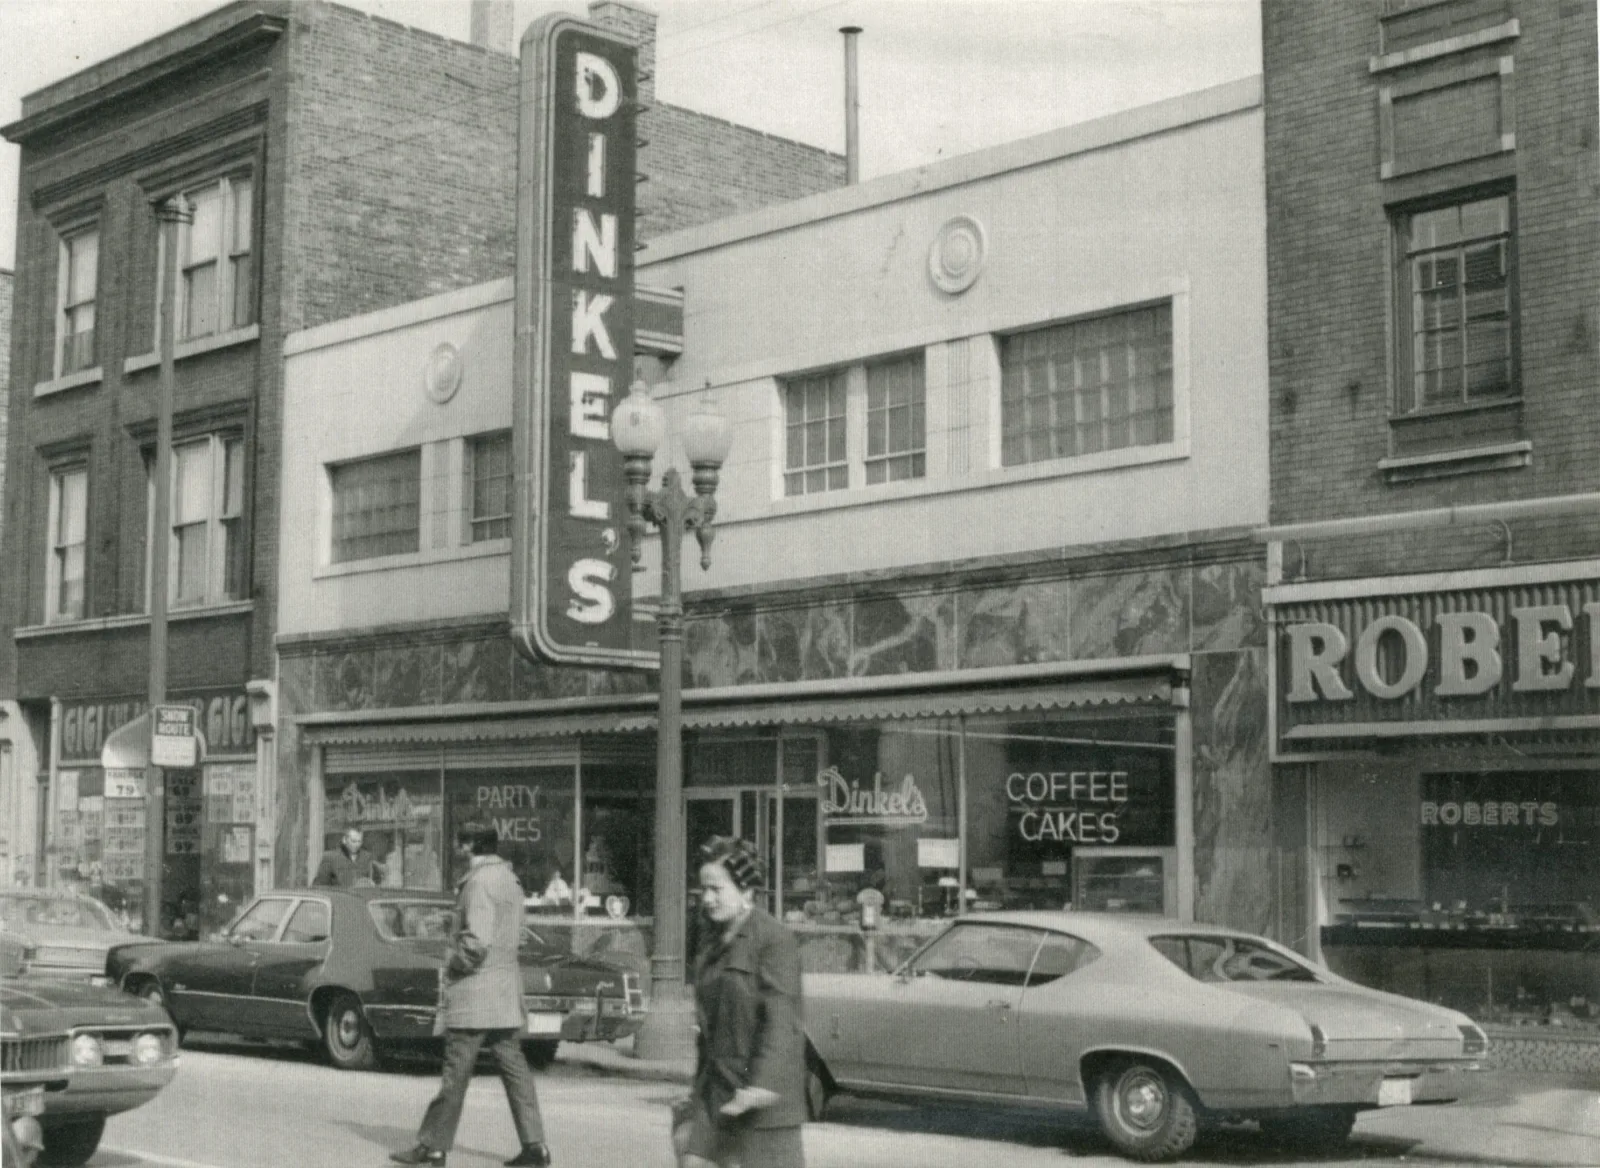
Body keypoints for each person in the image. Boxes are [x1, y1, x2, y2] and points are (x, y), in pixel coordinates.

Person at [391, 825, 550, 1168]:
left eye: (461, 843)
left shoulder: (477, 882)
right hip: (505, 993)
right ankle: (536, 1146)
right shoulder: (511, 881)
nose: (458, 849)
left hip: (475, 993)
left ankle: (433, 1148)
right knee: (515, 1070)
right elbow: (517, 936)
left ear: (471, 846)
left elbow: (475, 942)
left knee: (456, 1073)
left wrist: (451, 963)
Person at [677, 836, 807, 1168]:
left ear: (746, 890)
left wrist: (761, 1084)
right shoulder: (709, 940)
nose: (707, 899)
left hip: (762, 1101)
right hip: (717, 1090)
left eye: (716, 889)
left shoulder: (774, 940)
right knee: (691, 1160)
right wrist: (697, 1089)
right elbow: (709, 1028)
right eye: (702, 890)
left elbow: (782, 1021)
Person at [313, 827, 379, 888]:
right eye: (353, 841)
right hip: (340, 898)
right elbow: (319, 885)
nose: (357, 845)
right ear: (344, 840)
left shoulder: (367, 857)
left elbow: (376, 882)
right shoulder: (330, 858)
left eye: (359, 841)